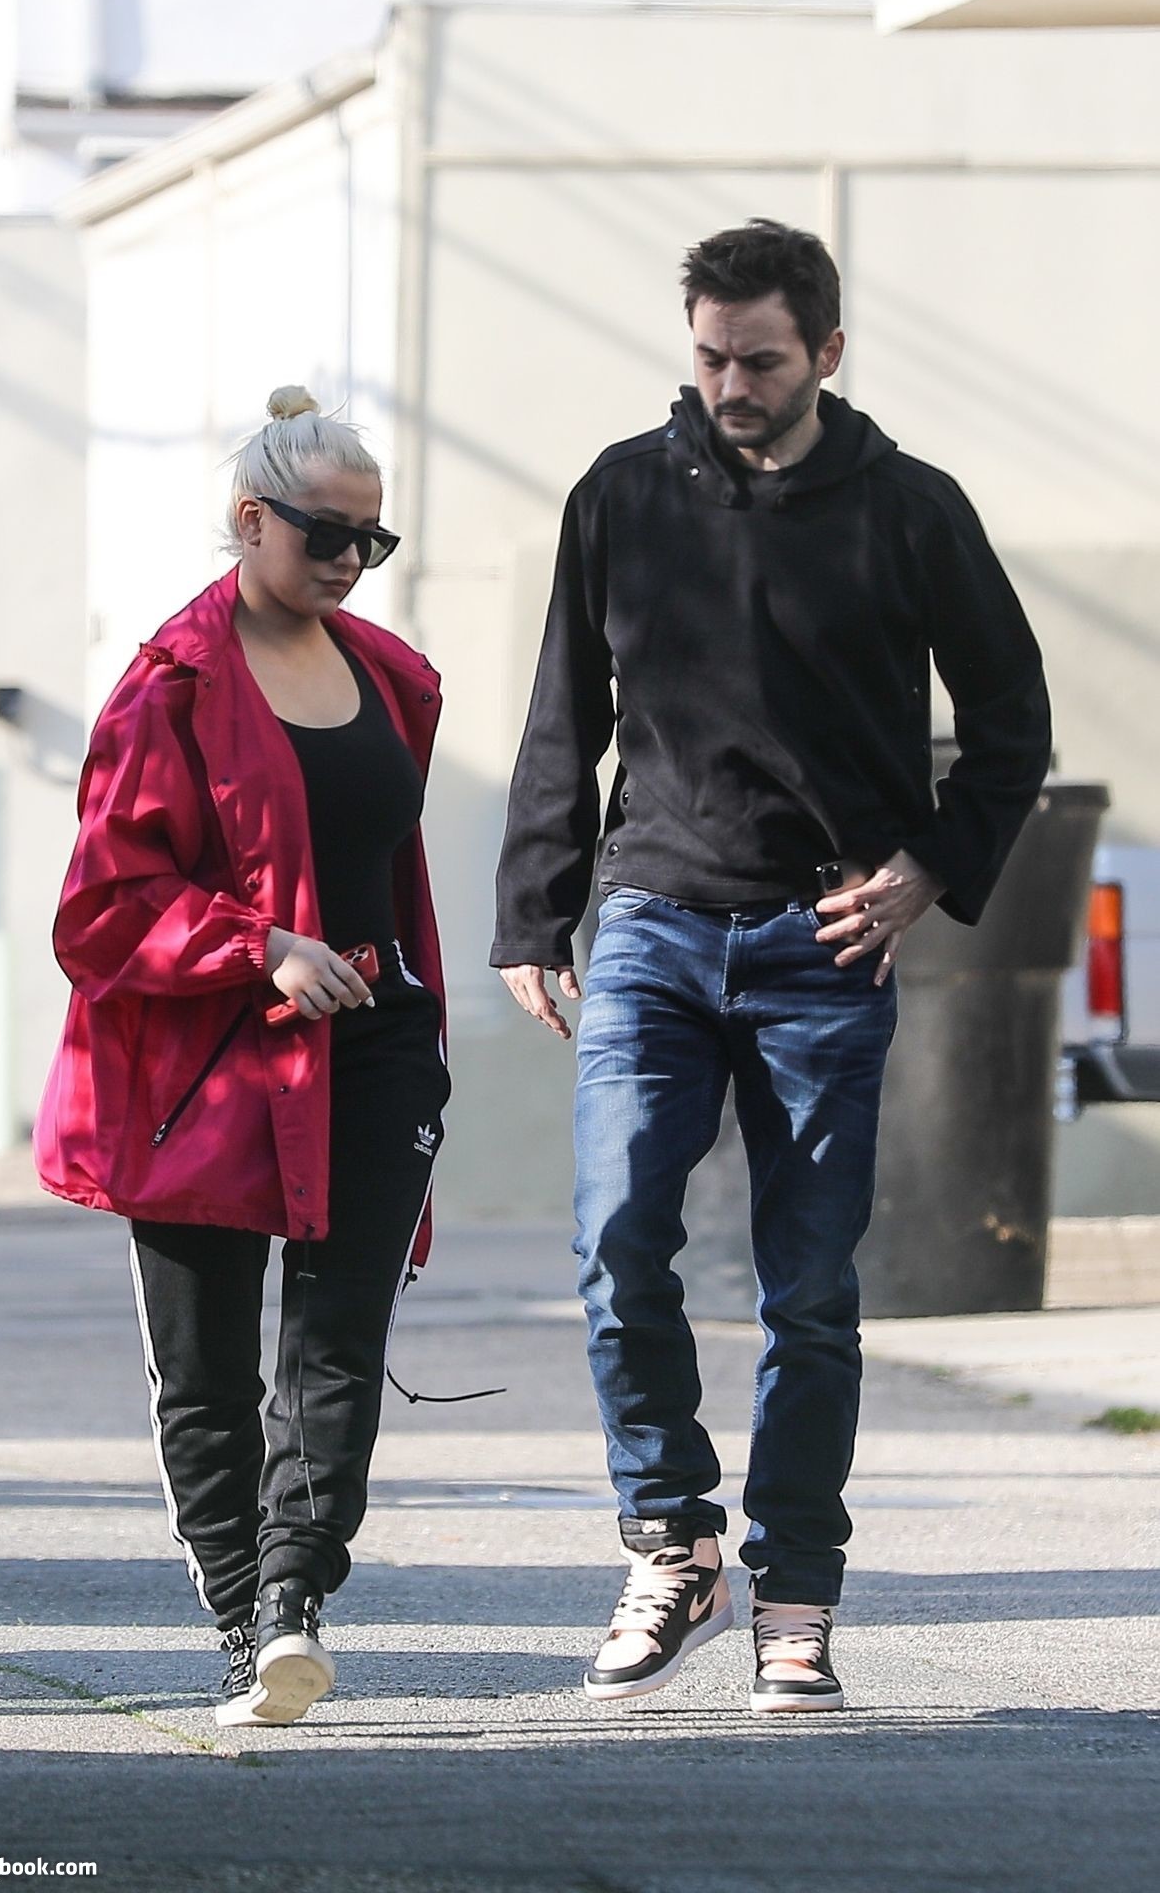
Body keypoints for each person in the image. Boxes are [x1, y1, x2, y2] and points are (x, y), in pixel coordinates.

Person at [491, 220, 1051, 1713]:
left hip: (824, 940)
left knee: (808, 1292)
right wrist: (535, 909)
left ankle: (793, 1595)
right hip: (654, 926)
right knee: (617, 1240)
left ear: (827, 353)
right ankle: (671, 1542)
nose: (729, 386)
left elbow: (1012, 719)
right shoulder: (623, 495)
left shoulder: (910, 511)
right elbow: (564, 712)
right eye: (708, 357)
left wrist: (929, 868)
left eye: (759, 360)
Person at [35, 386, 451, 1727]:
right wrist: (257, 943)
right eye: (326, 535)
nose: (349, 562)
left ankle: (292, 1605)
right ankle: (237, 1620)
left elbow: (387, 865)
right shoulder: (171, 685)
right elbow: (100, 907)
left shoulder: (393, 679)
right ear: (249, 519)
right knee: (209, 1367)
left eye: (372, 541)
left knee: (338, 1343)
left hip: (376, 1046)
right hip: (203, 1065)